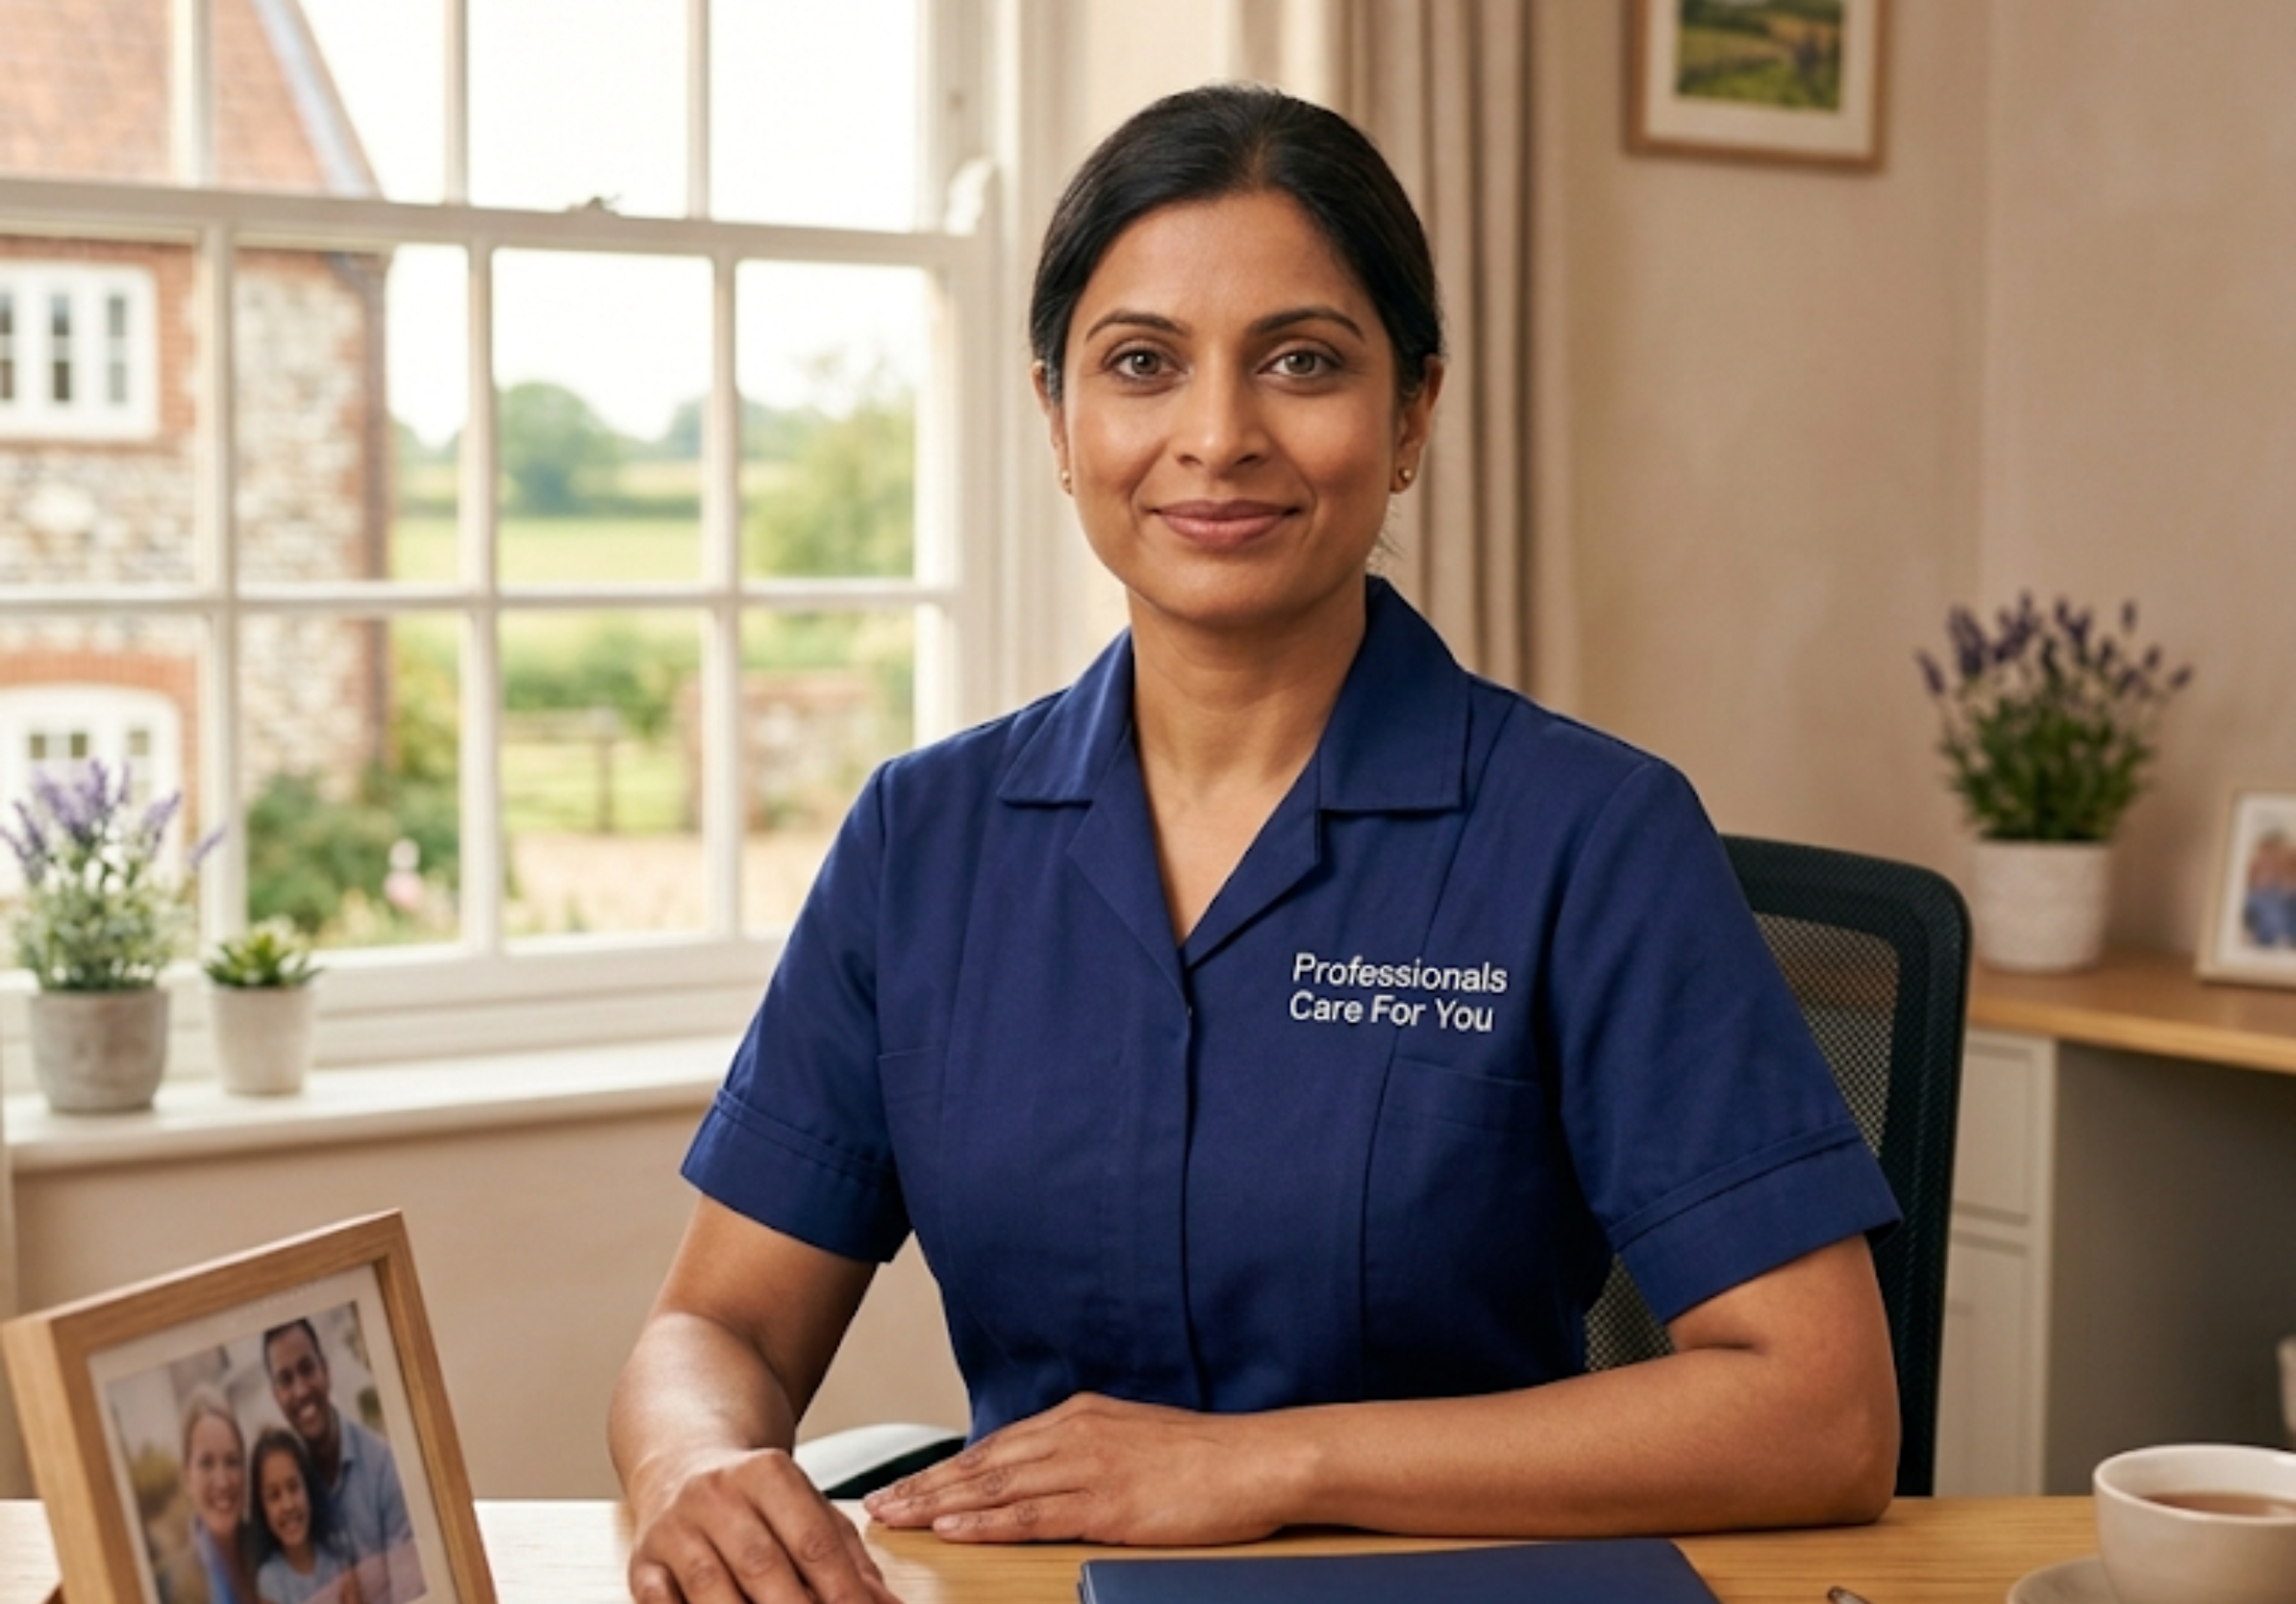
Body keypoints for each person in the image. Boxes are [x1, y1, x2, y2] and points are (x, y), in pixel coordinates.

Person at [611, 82, 1902, 1604]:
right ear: (1058, 420)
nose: (1216, 438)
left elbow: (1821, 1411)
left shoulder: (1594, 837)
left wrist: (1271, 1460)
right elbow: (721, 1333)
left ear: (1412, 415)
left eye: (1301, 362)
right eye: (1143, 365)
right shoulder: (922, 841)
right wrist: (691, 1462)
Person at [262, 1320, 422, 1604]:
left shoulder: (383, 1467)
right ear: (276, 1395)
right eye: (286, 1380)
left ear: (326, 1370)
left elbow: (411, 1590)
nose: (300, 1390)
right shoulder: (286, 1481)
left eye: (307, 1369)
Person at [159, 1388, 260, 1604]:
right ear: (186, 1476)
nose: (222, 1481)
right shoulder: (170, 1590)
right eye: (206, 1463)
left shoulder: (271, 1548)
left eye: (232, 1461)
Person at [248, 1426, 365, 1604]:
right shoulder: (270, 1582)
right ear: (262, 1508)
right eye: (274, 1495)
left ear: (307, 1487)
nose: (288, 1505)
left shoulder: (338, 1554)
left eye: (294, 1487)